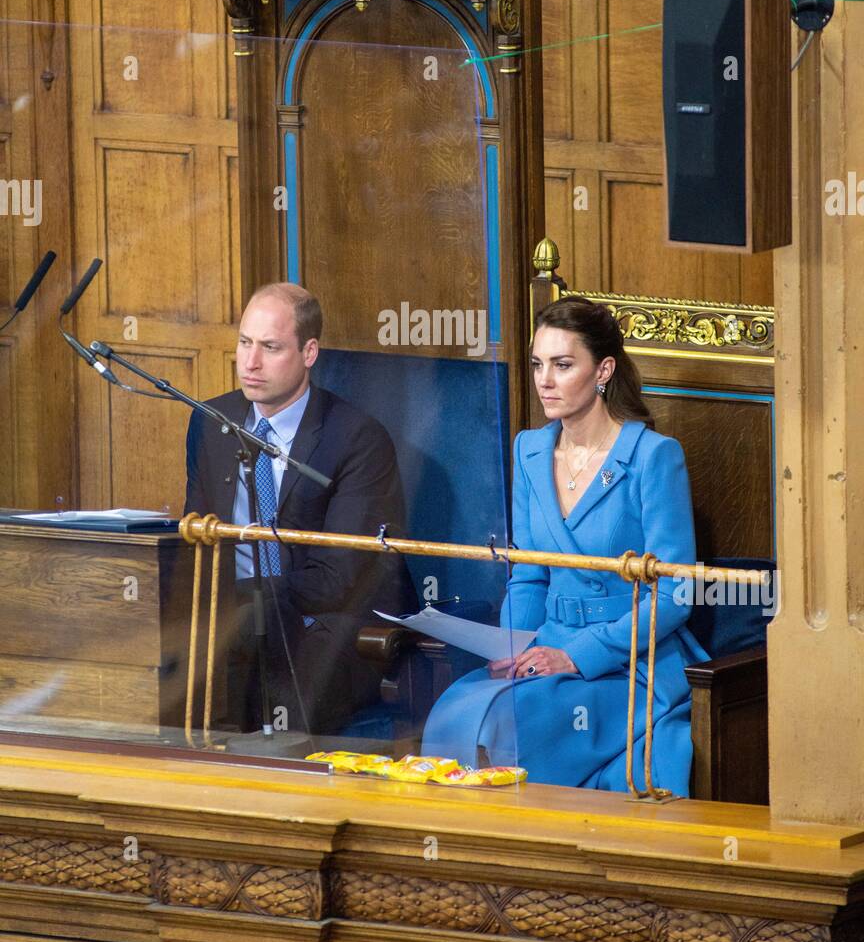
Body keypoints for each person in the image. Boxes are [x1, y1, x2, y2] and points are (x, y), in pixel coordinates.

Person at [421, 296, 708, 793]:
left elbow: (677, 594)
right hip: (545, 645)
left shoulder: (654, 457)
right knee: (456, 712)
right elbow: (531, 573)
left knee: (520, 724)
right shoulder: (529, 450)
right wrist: (513, 646)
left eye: (562, 364)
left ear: (604, 370)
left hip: (629, 658)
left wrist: (577, 656)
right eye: (537, 364)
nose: (544, 380)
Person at [184, 281, 418, 735]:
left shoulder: (357, 439)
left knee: (278, 681)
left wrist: (245, 603)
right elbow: (199, 543)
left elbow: (339, 578)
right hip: (234, 619)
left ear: (309, 353)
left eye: (270, 348)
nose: (250, 363)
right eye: (244, 343)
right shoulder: (210, 423)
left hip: (321, 621)